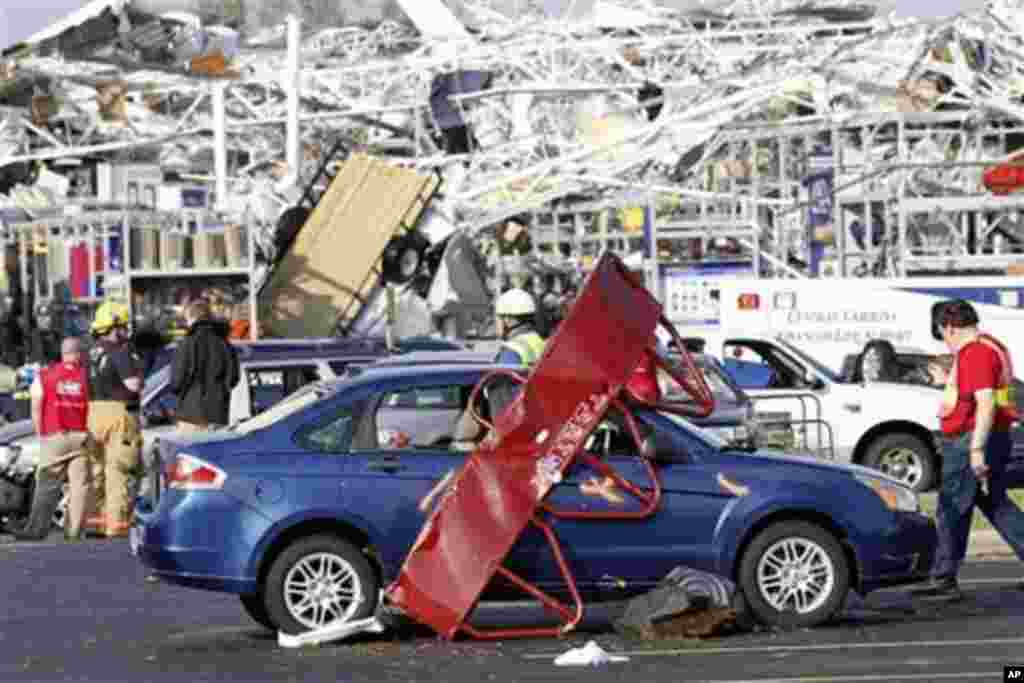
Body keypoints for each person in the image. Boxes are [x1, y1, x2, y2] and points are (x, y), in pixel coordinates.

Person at [911, 299, 1024, 600]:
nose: (944, 341)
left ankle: (943, 579)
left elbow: (984, 404)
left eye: (942, 333)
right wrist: (948, 382)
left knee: (951, 508)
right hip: (992, 436)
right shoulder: (991, 345)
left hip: (970, 441)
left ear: (948, 327)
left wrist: (975, 451)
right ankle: (944, 575)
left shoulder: (975, 354)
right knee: (996, 504)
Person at [15, 336, 92, 541]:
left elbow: (36, 407)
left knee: (47, 484)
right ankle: (74, 532)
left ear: (63, 353)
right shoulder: (87, 376)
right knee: (79, 487)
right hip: (82, 436)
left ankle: (36, 530)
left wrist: (41, 435)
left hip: (55, 435)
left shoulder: (45, 375)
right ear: (77, 354)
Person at [85, 300, 144, 539]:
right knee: (119, 470)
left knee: (95, 469)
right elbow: (133, 385)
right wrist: (140, 376)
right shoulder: (121, 351)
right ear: (115, 326)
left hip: (91, 413)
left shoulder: (90, 352)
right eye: (123, 326)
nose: (125, 331)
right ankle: (116, 525)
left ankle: (94, 522)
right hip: (118, 413)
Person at [170, 300, 240, 431]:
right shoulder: (225, 343)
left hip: (191, 414)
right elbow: (233, 378)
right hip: (218, 414)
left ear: (192, 317)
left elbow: (176, 381)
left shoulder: (187, 343)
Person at [494, 288, 546, 366]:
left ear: (507, 319)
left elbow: (502, 377)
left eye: (498, 317)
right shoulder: (540, 342)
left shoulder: (511, 352)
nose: (496, 324)